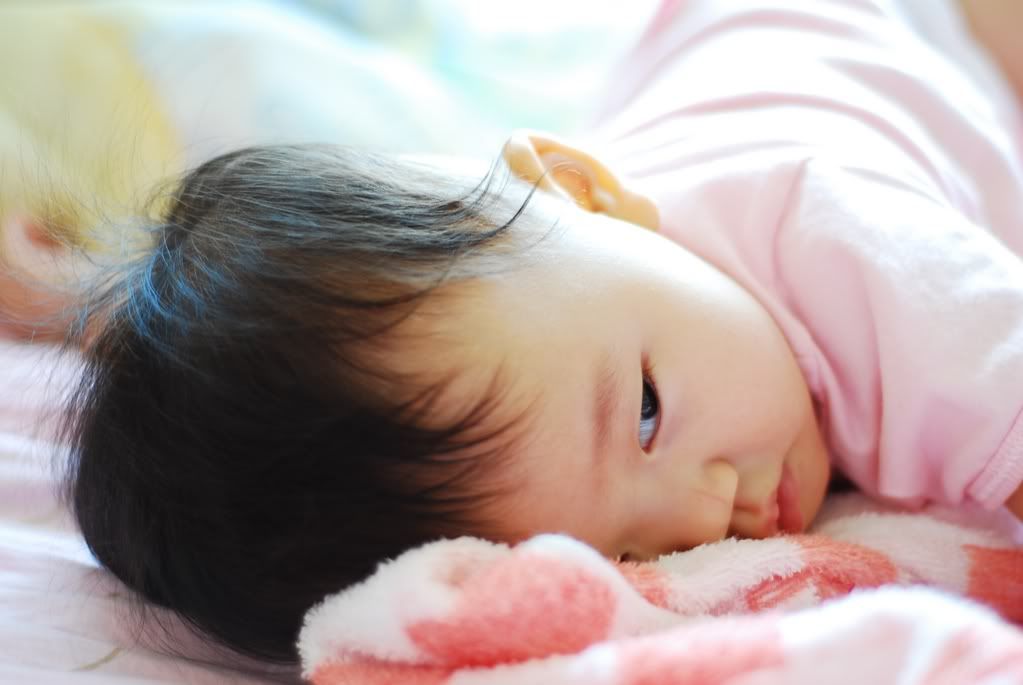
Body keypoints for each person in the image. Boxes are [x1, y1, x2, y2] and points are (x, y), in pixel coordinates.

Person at [3, 0, 1021, 667]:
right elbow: (256, 388)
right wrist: (99, 310)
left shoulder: (844, 240)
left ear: (590, 192)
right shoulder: (574, 307)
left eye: (647, 414)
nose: (710, 510)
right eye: (628, 550)